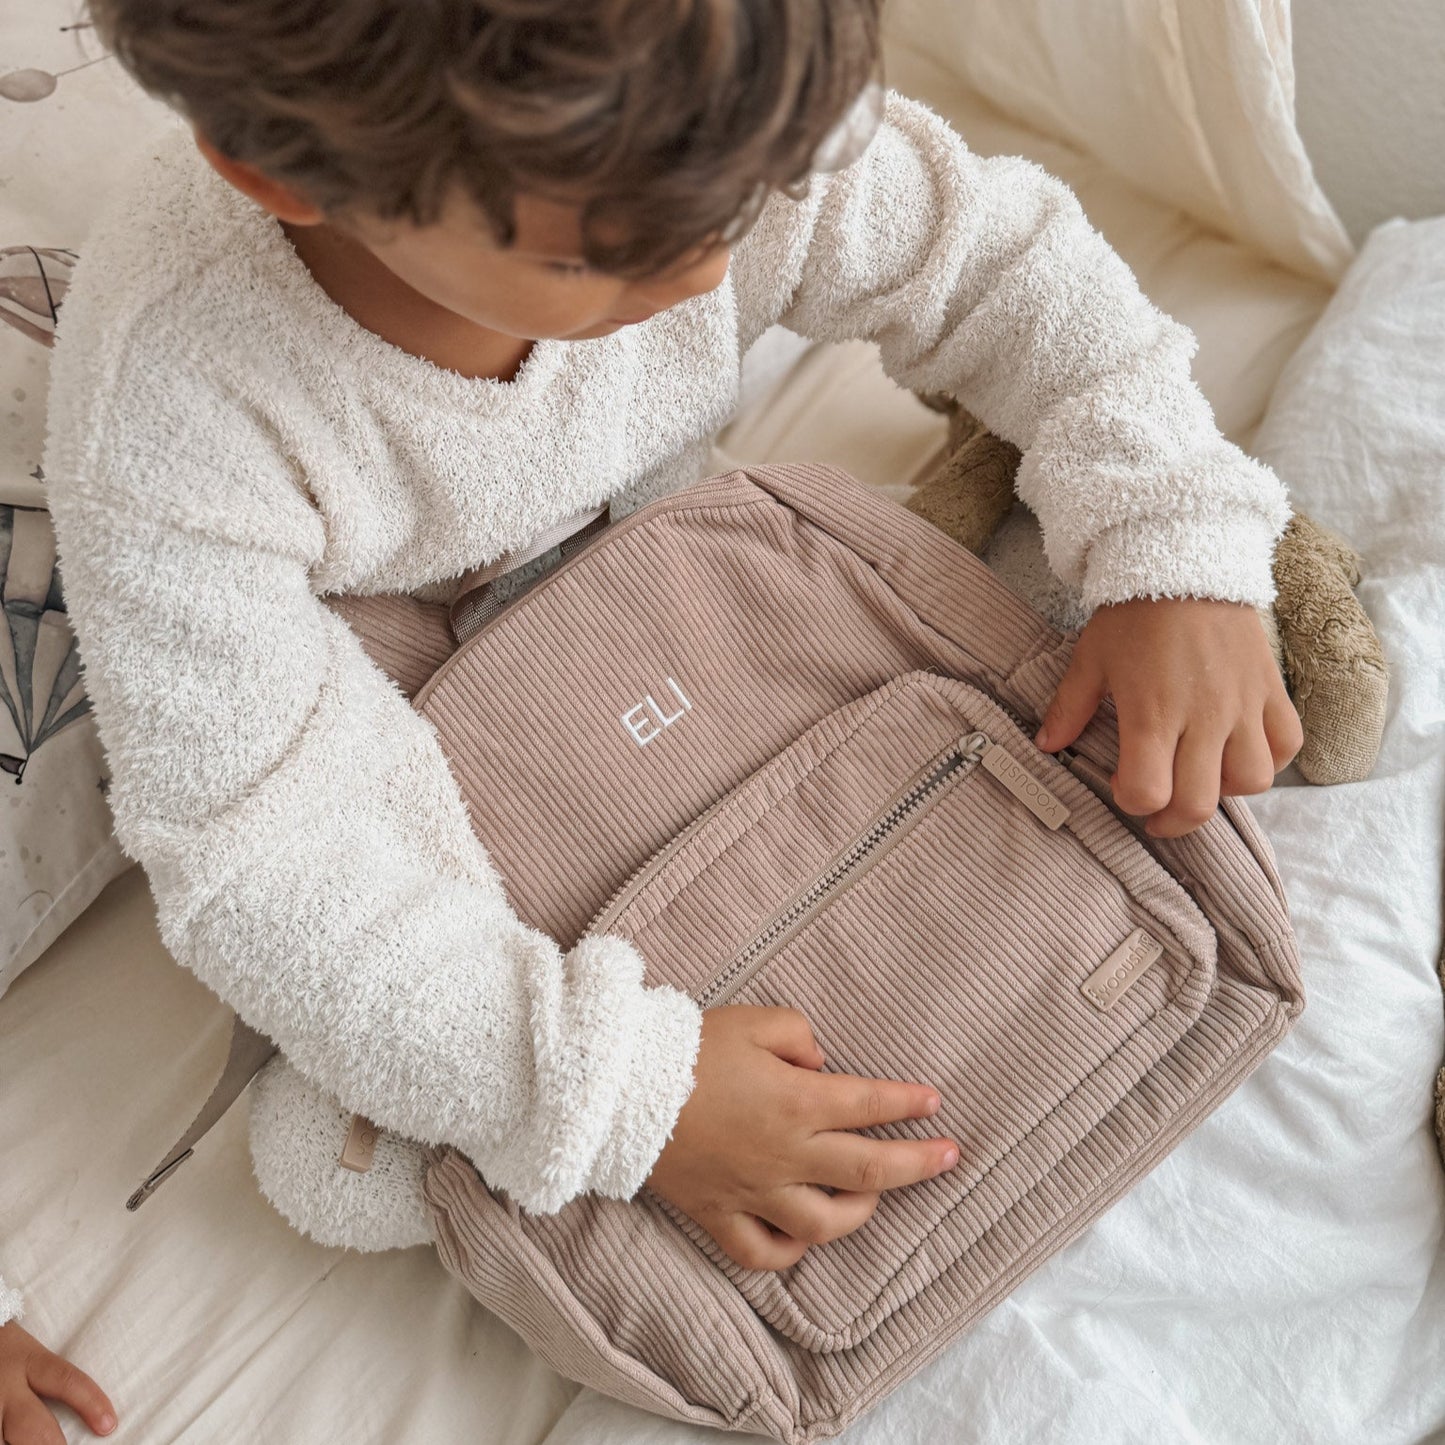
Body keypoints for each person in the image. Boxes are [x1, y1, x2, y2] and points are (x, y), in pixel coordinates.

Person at [2, 0, 1303, 1432]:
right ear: (281, 172)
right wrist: (629, 1097)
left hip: (661, 544)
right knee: (344, 1131)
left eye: (750, 196)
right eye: (603, 255)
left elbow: (996, 258)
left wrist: (1172, 533)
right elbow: (256, 850)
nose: (710, 271)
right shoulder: (175, 394)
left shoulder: (716, 114)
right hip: (388, 663)